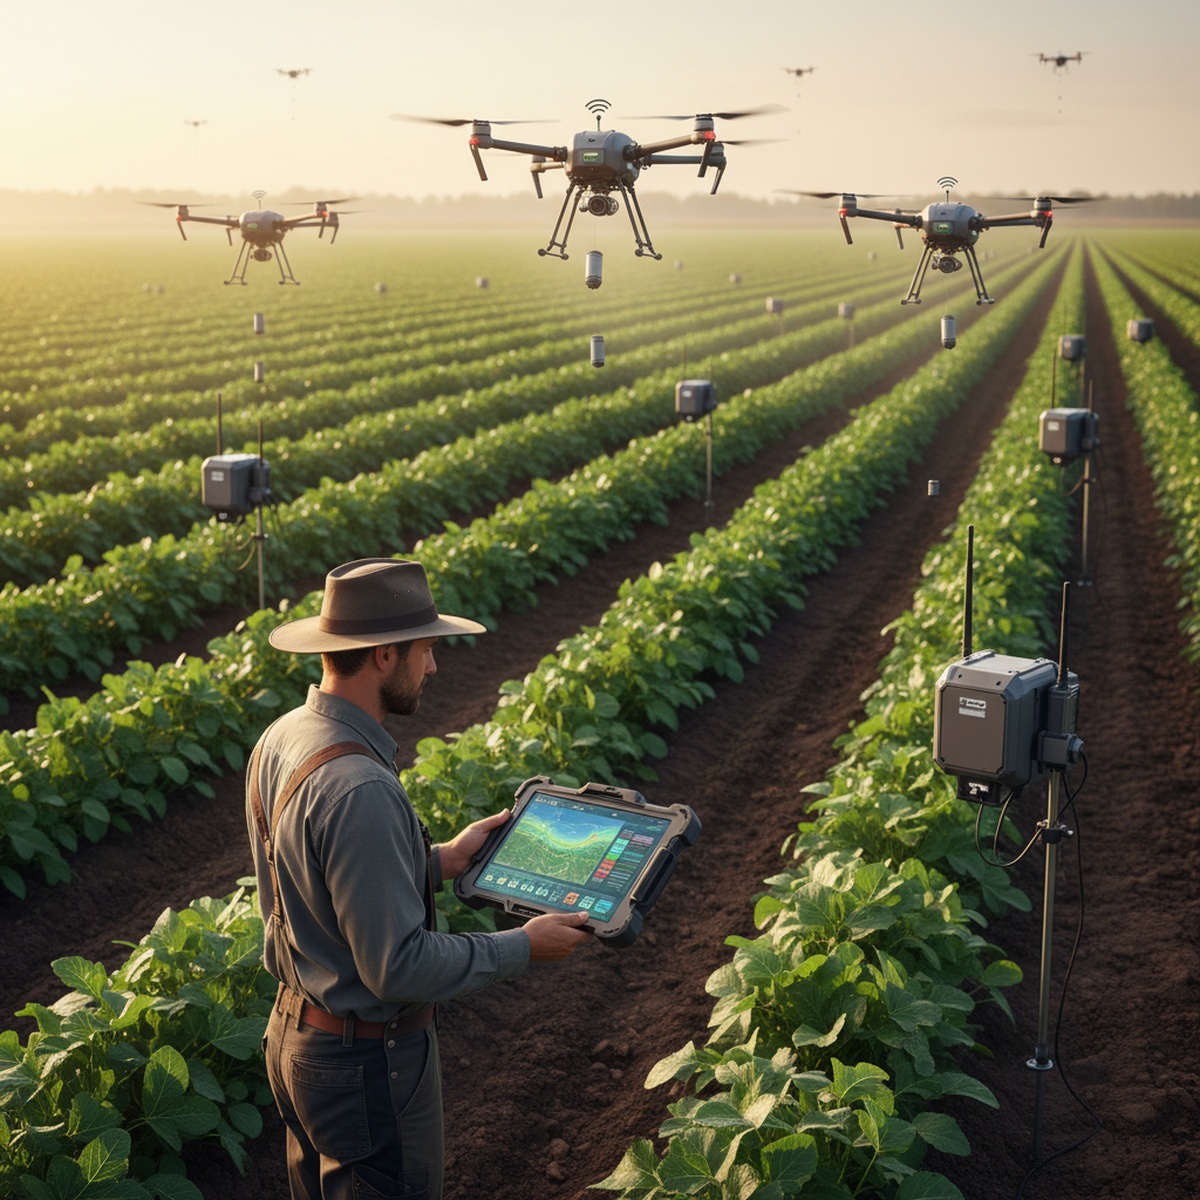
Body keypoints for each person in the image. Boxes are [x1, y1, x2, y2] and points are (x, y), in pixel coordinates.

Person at [246, 557, 592, 1200]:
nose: (433, 667)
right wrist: (524, 946)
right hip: (365, 1067)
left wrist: (442, 860)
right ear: (382, 656)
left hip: (296, 1039)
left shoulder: (286, 736)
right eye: (426, 650)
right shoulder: (360, 788)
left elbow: (317, 882)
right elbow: (396, 967)